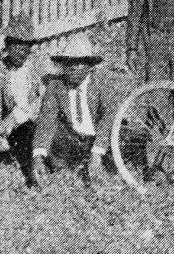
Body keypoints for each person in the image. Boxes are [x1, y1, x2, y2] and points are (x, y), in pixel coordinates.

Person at [31, 34, 127, 188]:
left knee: (114, 161)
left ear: (89, 66)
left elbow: (110, 115)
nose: (73, 67)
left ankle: (97, 165)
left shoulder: (101, 82)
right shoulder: (56, 86)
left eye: (79, 62)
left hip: (98, 140)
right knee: (56, 135)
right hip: (73, 142)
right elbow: (46, 122)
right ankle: (68, 168)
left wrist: (97, 152)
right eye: (68, 63)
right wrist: (38, 156)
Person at [0, 13, 44, 177]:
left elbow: (45, 99)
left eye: (26, 46)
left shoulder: (40, 65)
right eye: (16, 45)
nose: (21, 51)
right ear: (7, 45)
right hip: (17, 130)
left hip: (41, 124)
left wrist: (19, 115)